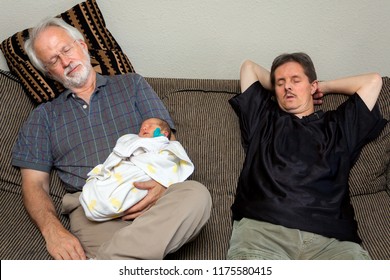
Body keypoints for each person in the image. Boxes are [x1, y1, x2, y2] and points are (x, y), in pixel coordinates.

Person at [12, 17, 211, 260]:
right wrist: (52, 231)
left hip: (152, 196)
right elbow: (34, 185)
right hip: (95, 212)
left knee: (197, 195)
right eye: (53, 60)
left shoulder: (132, 85)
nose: (65, 62)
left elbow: (165, 141)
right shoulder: (43, 117)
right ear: (49, 73)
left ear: (82, 46)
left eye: (66, 50)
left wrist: (162, 182)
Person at [227, 52, 387, 260]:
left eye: (296, 80)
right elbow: (249, 67)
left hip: (331, 240)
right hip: (264, 231)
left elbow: (373, 81)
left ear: (312, 86)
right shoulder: (263, 118)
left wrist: (324, 87)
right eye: (280, 83)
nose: (288, 87)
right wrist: (281, 84)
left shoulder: (339, 125)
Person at [80, 117, 195, 222]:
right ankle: (101, 201)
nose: (144, 127)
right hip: (126, 168)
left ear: (164, 133)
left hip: (145, 173)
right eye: (142, 127)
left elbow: (170, 162)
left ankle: (115, 204)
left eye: (150, 125)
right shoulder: (132, 140)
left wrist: (159, 141)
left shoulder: (166, 146)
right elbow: (121, 154)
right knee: (104, 184)